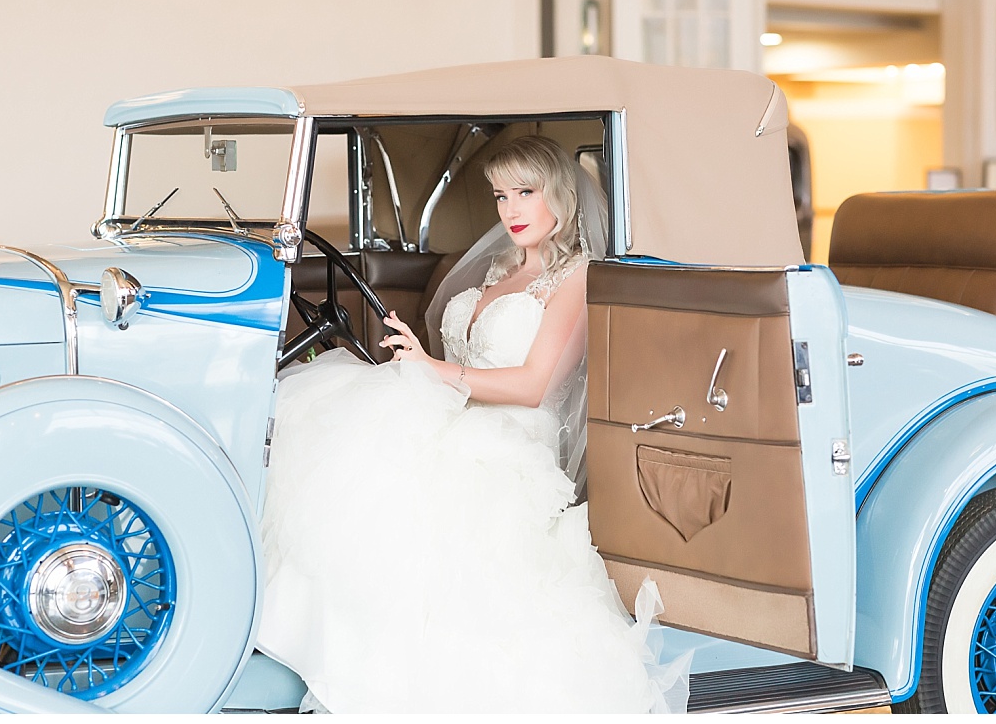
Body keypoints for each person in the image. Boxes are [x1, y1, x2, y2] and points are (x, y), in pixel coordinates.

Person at [256, 135, 690, 713]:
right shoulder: (502, 269)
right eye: (500, 196)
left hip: (513, 439)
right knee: (329, 422)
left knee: (382, 472)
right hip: (459, 413)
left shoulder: (577, 277)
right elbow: (460, 364)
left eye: (525, 193)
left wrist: (433, 369)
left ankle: (369, 666)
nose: (510, 210)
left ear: (560, 195)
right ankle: (300, 637)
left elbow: (535, 386)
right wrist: (419, 363)